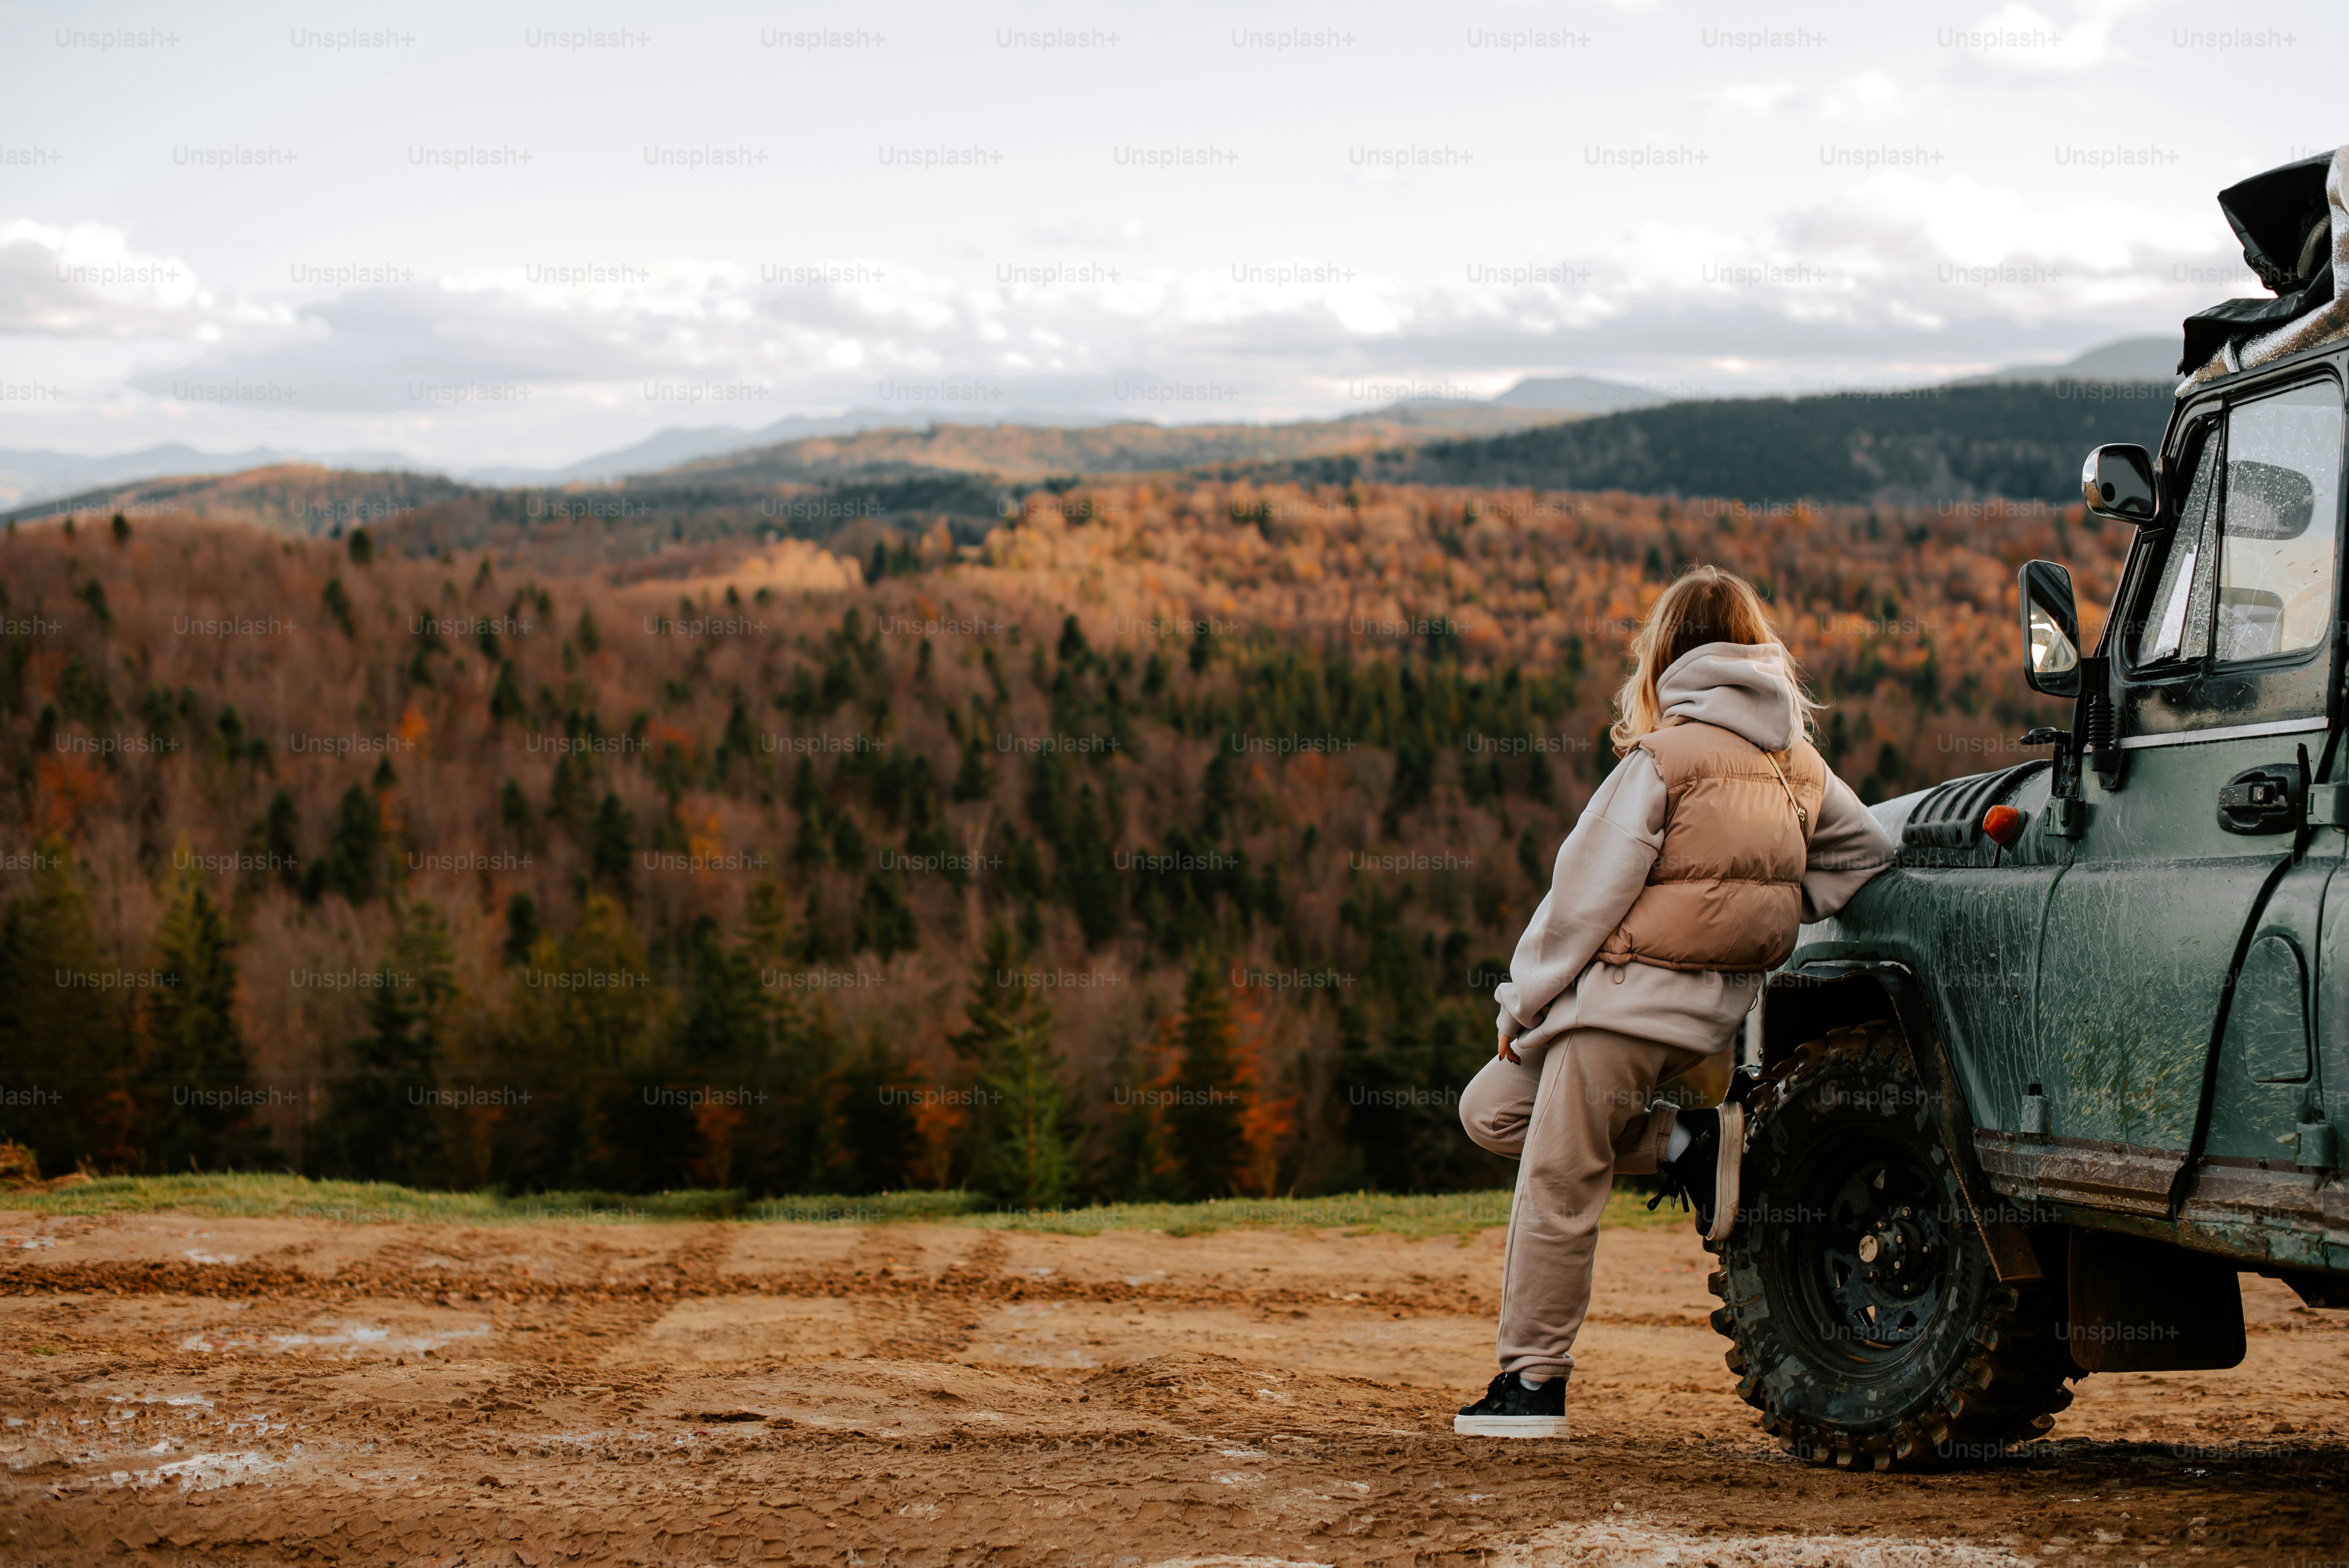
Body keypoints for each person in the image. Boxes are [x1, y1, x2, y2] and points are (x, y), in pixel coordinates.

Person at [1452, 565, 1895, 1437]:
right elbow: (1863, 856)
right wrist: (1766, 912)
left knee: (1557, 1181)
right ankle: (1689, 1142)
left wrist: (1521, 1003)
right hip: (1705, 1020)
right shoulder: (1798, 766)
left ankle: (1531, 1385)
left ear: (1667, 653)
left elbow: (1579, 898)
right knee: (1491, 1110)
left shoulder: (1664, 759)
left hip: (1618, 1010)